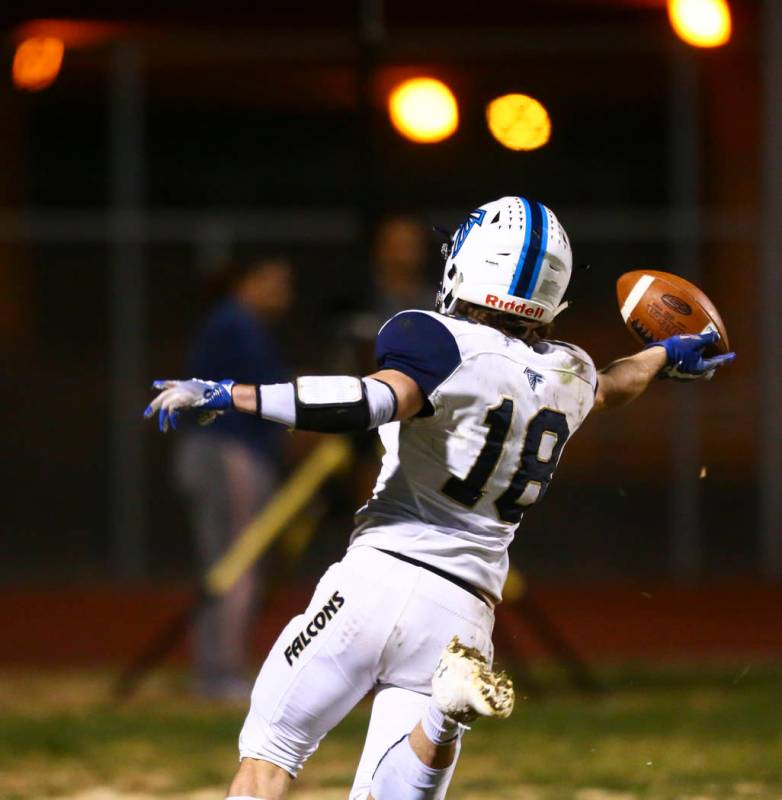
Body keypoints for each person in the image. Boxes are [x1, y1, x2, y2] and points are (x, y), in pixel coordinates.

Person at [145, 196, 734, 799]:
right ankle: (444, 712)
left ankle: (443, 707)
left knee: (269, 758)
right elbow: (615, 383)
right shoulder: (571, 373)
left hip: (376, 580)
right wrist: (667, 354)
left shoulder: (435, 339)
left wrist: (230, 394)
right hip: (464, 612)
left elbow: (370, 401)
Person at [173, 255, 292, 700]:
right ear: (249, 280)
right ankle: (219, 673)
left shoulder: (233, 323)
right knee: (236, 563)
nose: (285, 295)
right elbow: (273, 395)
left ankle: (216, 669)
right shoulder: (237, 324)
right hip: (228, 453)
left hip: (218, 452)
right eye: (277, 282)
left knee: (225, 563)